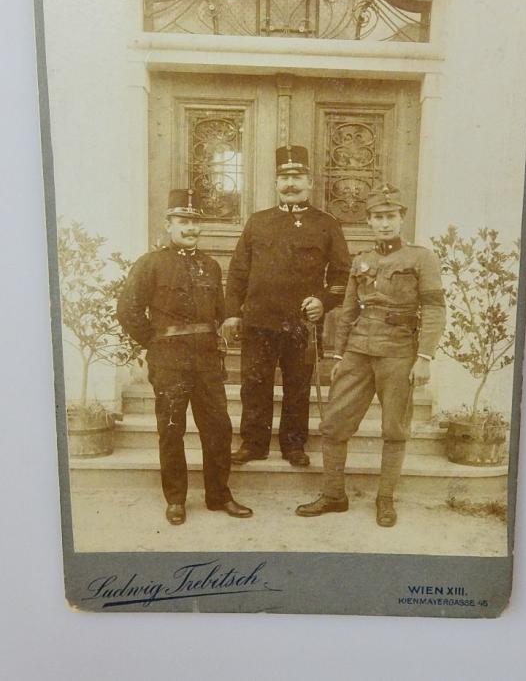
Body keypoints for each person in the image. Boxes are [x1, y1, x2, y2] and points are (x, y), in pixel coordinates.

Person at [296, 184, 446, 526]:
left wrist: (425, 357)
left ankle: (385, 499)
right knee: (334, 425)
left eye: (390, 216)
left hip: (398, 353)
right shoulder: (362, 260)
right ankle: (334, 495)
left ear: (401, 219)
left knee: (394, 430)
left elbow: (435, 308)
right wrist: (337, 357)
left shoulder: (422, 258)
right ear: (368, 221)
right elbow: (348, 310)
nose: (384, 224)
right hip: (358, 352)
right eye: (377, 217)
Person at [117, 189, 252, 525]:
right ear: (169, 224)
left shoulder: (209, 265)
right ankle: (175, 500)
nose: (190, 228)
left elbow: (219, 313)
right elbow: (128, 310)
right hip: (169, 360)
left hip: (206, 360)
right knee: (172, 429)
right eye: (183, 221)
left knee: (218, 428)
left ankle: (219, 495)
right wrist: (155, 342)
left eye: (194, 222)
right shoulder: (150, 264)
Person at [223, 145, 351, 468]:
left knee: (297, 386)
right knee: (254, 384)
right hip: (259, 320)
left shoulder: (326, 224)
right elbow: (238, 272)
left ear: (309, 181)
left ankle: (294, 444)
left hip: (301, 325)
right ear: (276, 183)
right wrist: (231, 314)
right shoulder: (258, 222)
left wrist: (323, 301)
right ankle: (254, 443)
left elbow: (342, 276)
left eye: (297, 176)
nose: (290, 183)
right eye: (284, 177)